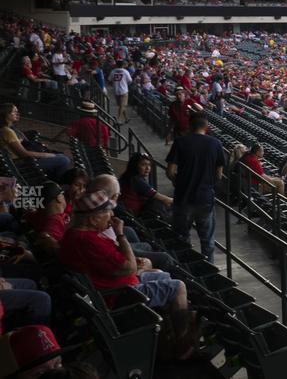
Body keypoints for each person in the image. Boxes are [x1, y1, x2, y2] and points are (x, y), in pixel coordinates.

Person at [58, 190, 187, 310]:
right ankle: (183, 333)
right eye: (108, 211)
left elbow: (111, 263)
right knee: (179, 287)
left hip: (118, 286)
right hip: (120, 295)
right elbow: (129, 268)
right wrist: (120, 234)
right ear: (94, 219)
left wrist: (132, 262)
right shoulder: (88, 241)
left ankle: (170, 327)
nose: (112, 215)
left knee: (163, 275)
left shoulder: (76, 234)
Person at [166, 114, 226, 262]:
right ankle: (209, 273)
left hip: (183, 197)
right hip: (205, 198)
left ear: (190, 126)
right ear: (206, 127)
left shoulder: (180, 142)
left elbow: (170, 171)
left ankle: (187, 270)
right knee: (207, 241)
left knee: (182, 238)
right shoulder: (216, 143)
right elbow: (219, 175)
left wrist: (177, 182)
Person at [0, 103, 72, 182]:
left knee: (60, 156)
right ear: (6, 114)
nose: (18, 113)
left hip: (20, 163)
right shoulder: (7, 131)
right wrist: (47, 155)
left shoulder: (9, 129)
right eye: (14, 112)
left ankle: (50, 184)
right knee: (64, 160)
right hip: (19, 166)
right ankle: (53, 185)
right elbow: (24, 154)